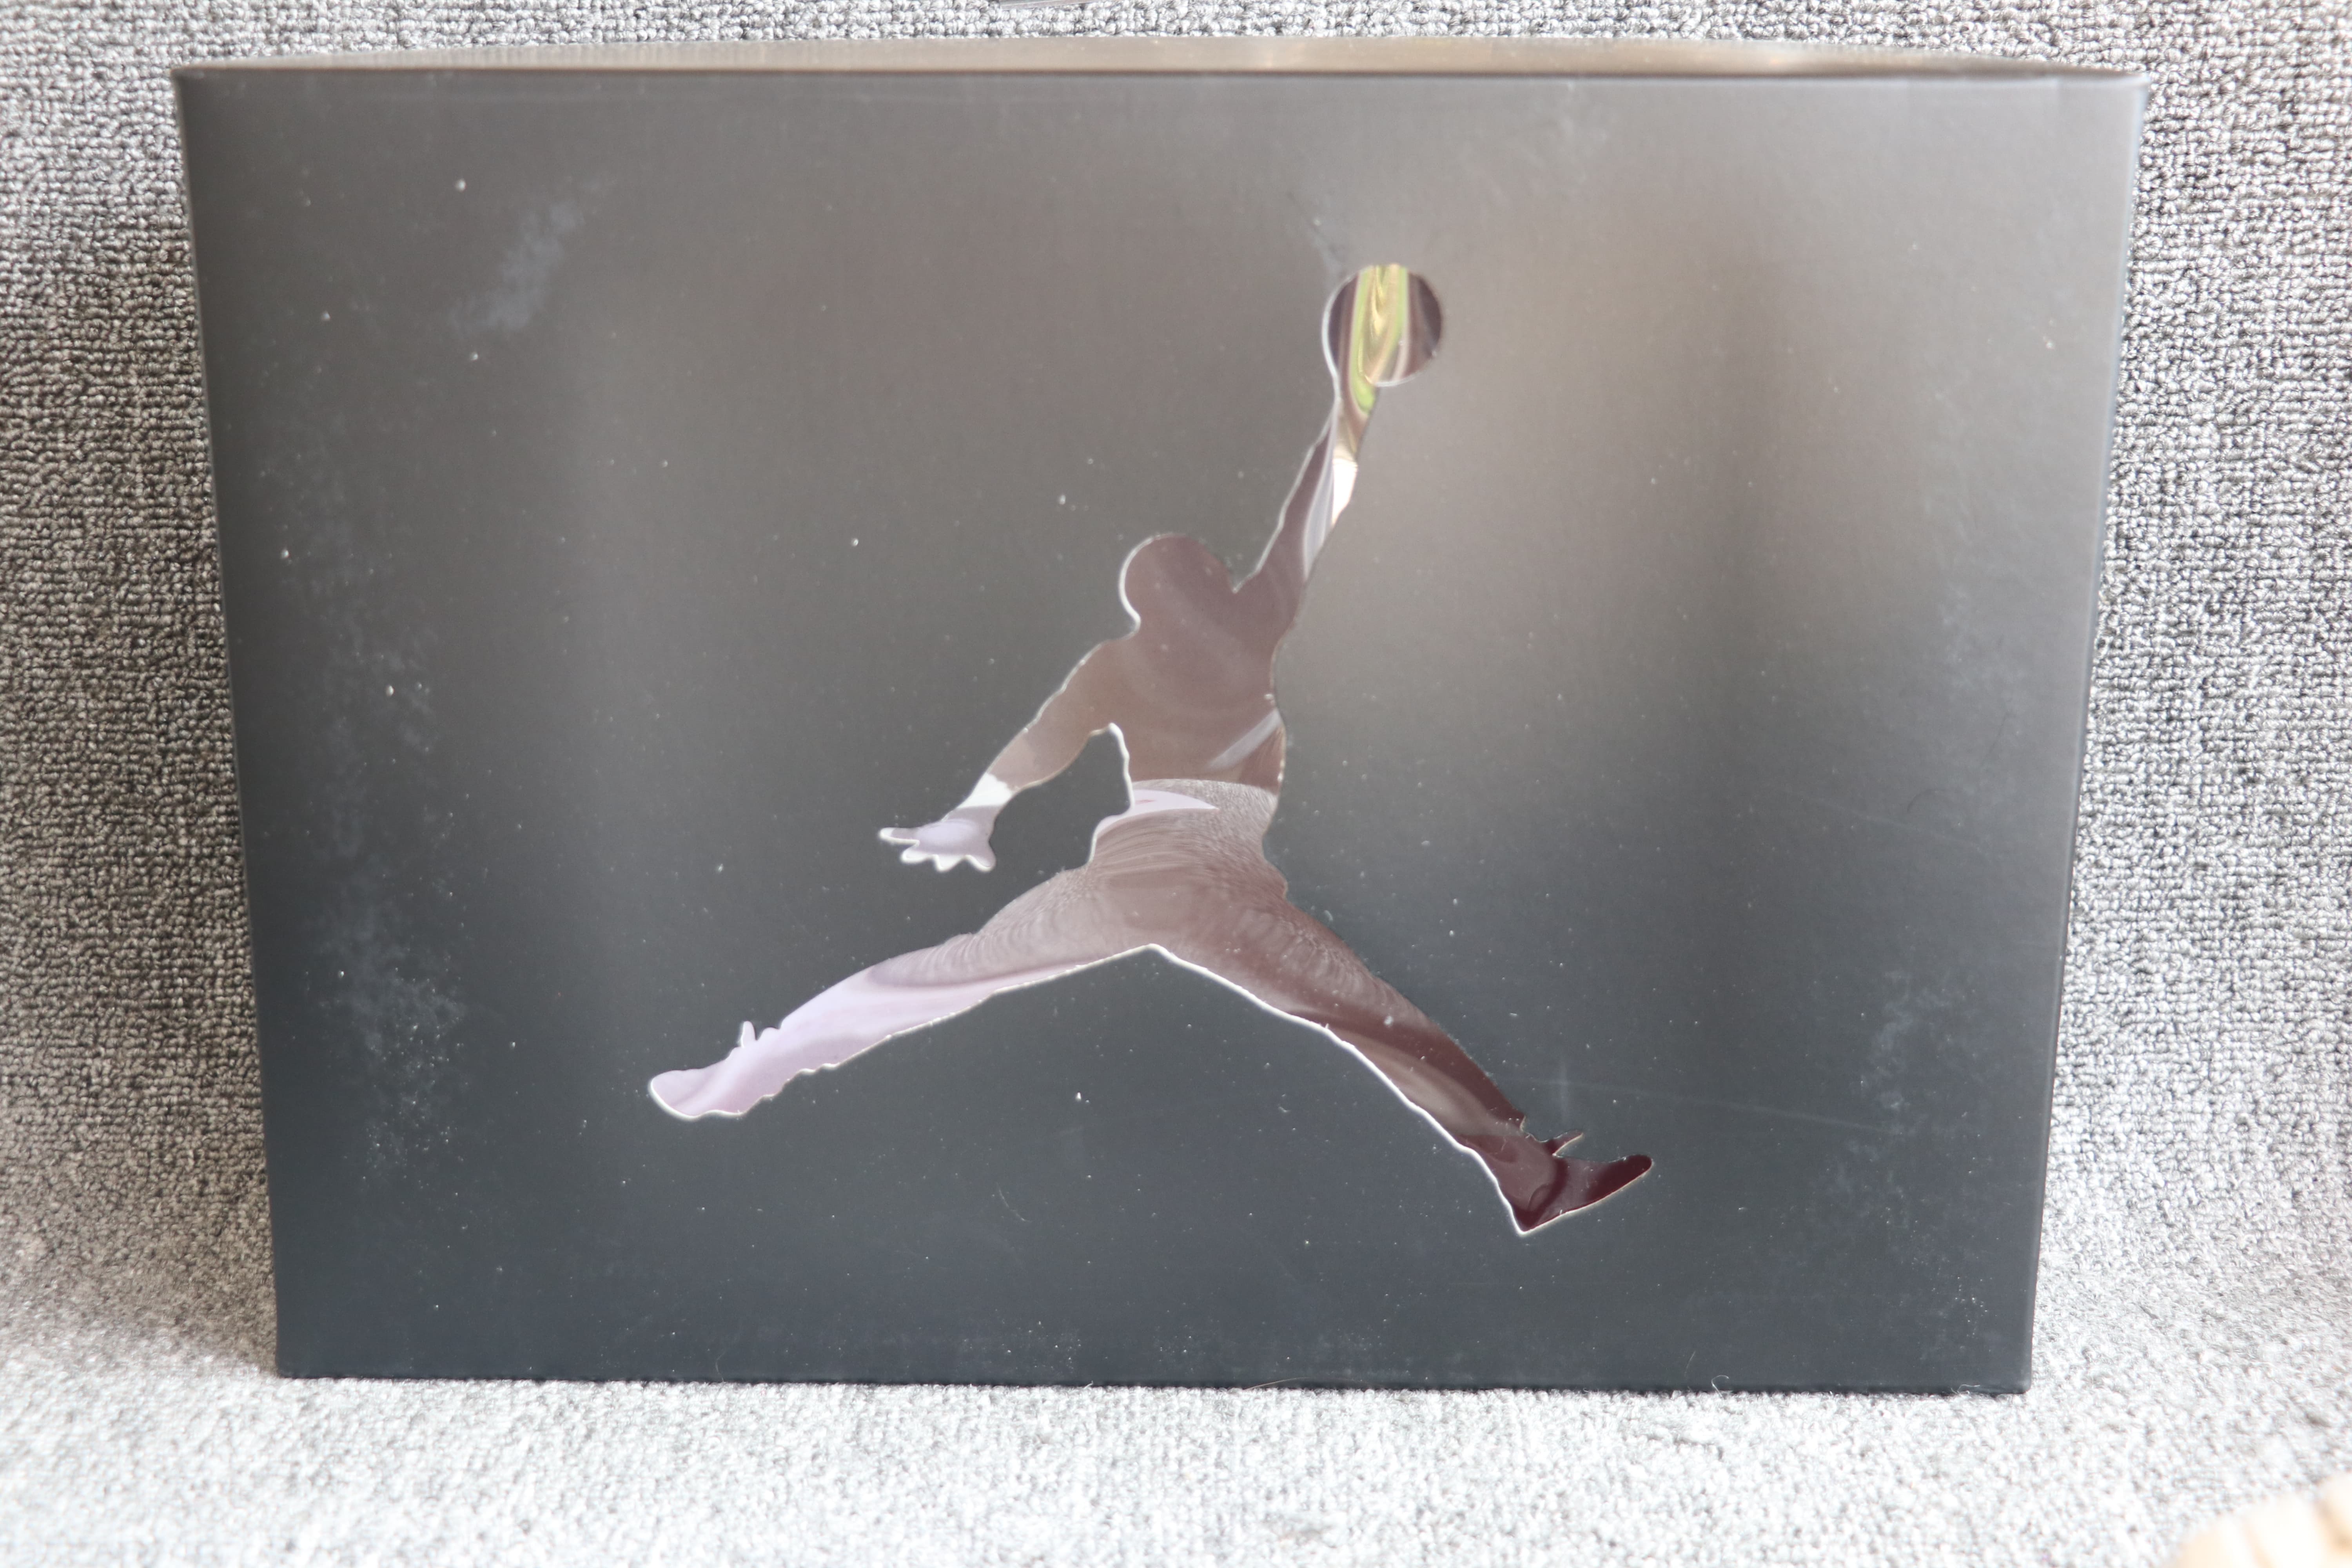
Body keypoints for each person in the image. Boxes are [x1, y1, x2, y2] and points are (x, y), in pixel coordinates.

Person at [650, 265, 1651, 1233]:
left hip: (1129, 874)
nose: (1220, 569)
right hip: (1206, 875)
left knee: (949, 972)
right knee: (1371, 1015)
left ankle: (756, 1065)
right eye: (1210, 565)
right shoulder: (1246, 623)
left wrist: (977, 812)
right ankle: (1531, 1175)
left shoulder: (1117, 661)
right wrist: (1354, 391)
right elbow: (1319, 502)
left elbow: (1044, 740)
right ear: (1203, 585)